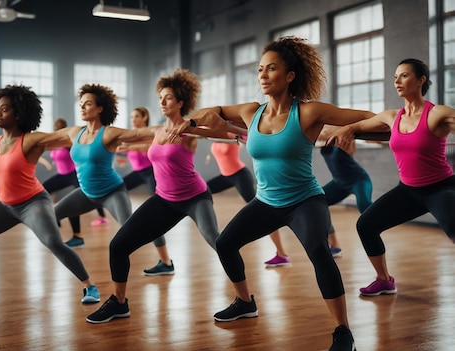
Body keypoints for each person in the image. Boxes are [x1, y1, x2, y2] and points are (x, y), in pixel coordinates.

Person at [173, 37, 376, 350]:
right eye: (260, 70)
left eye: (271, 69)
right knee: (225, 243)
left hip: (305, 200)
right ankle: (244, 302)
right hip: (266, 202)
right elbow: (214, 110)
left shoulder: (308, 112)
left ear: (290, 76)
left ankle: (343, 331)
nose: (263, 75)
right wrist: (191, 120)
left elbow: (364, 117)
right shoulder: (250, 112)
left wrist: (356, 129)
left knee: (319, 252)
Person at [85, 68, 244, 324]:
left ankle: (245, 301)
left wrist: (241, 135)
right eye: (160, 97)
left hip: (195, 197)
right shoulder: (157, 131)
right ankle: (119, 303)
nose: (161, 101)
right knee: (118, 245)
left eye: (167, 97)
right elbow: (134, 138)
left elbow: (224, 132)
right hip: (164, 200)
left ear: (180, 102)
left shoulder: (191, 130)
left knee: (218, 242)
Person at [0, 85, 101, 305]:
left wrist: (88, 131)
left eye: (5, 109)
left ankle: (90, 286)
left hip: (33, 203)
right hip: (5, 206)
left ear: (19, 114)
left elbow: (62, 135)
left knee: (53, 242)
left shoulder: (29, 141)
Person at [327, 58, 455, 298]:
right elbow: (361, 125)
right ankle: (384, 280)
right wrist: (347, 129)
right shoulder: (392, 116)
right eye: (395, 76)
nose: (397, 81)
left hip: (440, 188)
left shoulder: (437, 114)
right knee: (366, 225)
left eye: (404, 75)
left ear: (421, 81)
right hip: (408, 190)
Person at [49, 83, 171, 271]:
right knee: (53, 214)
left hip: (112, 192)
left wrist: (176, 125)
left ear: (100, 108)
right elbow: (43, 139)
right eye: (81, 103)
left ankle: (166, 262)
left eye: (87, 103)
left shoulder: (109, 133)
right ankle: (71, 251)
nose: (82, 107)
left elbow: (140, 133)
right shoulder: (75, 132)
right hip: (86, 193)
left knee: (138, 228)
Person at [205, 134, 291, 267]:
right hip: (225, 176)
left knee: (263, 213)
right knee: (202, 190)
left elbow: (248, 138)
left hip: (240, 176)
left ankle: (282, 254)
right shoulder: (217, 133)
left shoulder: (233, 134)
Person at [39, 117, 109, 248]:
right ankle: (56, 217)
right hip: (62, 175)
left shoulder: (68, 142)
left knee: (81, 199)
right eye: (56, 128)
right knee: (43, 189)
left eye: (60, 128)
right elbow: (52, 151)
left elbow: (79, 150)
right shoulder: (55, 142)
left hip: (73, 175)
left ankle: (94, 221)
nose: (58, 130)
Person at [318, 125, 373, 257]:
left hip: (359, 180)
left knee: (366, 210)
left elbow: (325, 132)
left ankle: (374, 240)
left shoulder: (344, 142)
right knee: (317, 202)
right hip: (339, 183)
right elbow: (321, 134)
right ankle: (335, 245)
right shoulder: (323, 137)